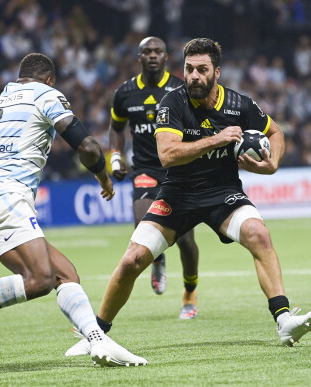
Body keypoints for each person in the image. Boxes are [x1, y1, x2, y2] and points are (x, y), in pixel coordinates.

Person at [68, 38, 311, 355]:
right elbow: (167, 154)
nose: (194, 77)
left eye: (202, 70)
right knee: (132, 260)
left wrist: (273, 164)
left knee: (259, 234)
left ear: (216, 72)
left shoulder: (239, 104)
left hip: (223, 193)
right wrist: (217, 139)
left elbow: (276, 132)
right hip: (178, 194)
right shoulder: (171, 104)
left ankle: (284, 320)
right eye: (189, 69)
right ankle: (95, 335)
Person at [0, 53, 147, 367]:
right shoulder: (46, 95)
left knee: (65, 275)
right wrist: (102, 177)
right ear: (49, 79)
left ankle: (97, 341)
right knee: (40, 279)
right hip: (7, 197)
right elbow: (88, 147)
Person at [108, 37, 199, 317]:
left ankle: (189, 294)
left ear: (165, 56)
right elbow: (116, 128)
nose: (152, 56)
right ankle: (157, 258)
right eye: (147, 51)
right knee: (142, 225)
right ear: (139, 57)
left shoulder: (180, 89)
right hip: (145, 169)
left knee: (184, 239)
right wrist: (115, 158)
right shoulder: (125, 93)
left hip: (179, 169)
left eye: (157, 51)